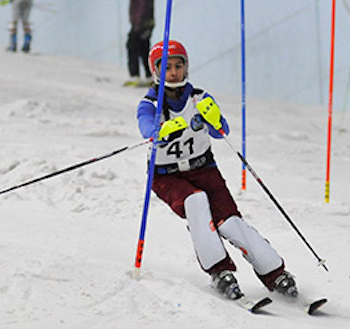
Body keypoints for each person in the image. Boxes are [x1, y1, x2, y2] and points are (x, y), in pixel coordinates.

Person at [136, 40, 298, 300]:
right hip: (167, 176)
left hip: (204, 169)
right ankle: (219, 271)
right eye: (167, 67)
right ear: (156, 71)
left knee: (231, 222)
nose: (174, 72)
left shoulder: (199, 97)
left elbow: (221, 132)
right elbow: (146, 129)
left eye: (179, 65)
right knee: (196, 201)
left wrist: (214, 119)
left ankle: (275, 272)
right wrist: (159, 131)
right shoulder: (151, 104)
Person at [124, 0, 154, 87]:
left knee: (132, 47)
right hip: (143, 24)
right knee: (144, 50)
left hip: (140, 25)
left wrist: (138, 24)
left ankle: (135, 75)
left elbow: (143, 8)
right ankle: (149, 75)